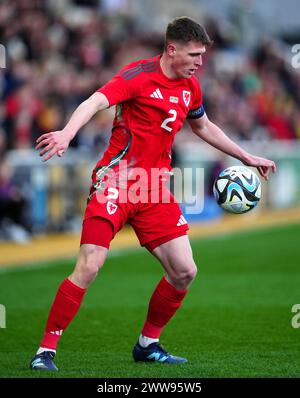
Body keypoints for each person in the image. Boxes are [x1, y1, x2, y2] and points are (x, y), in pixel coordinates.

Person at [30, 16, 276, 371]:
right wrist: (67, 133)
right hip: (116, 181)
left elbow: (203, 125)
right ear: (171, 49)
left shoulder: (191, 87)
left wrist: (246, 156)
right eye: (194, 54)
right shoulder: (137, 77)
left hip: (154, 189)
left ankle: (148, 344)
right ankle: (45, 350)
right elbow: (95, 101)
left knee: (184, 271)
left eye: (203, 55)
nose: (200, 62)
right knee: (90, 265)